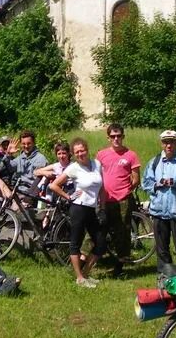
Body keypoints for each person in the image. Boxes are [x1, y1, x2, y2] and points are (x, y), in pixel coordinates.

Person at [49, 138, 107, 288]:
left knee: (100, 243)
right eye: (76, 152)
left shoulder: (97, 164)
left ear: (87, 149)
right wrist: (68, 196)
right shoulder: (73, 168)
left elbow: (101, 188)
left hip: (92, 209)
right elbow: (54, 185)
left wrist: (102, 208)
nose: (80, 154)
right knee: (75, 243)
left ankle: (86, 273)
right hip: (78, 208)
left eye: (82, 150)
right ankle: (79, 278)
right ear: (73, 155)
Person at [142, 130, 176, 270]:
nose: (169, 145)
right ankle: (165, 275)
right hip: (158, 212)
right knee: (162, 248)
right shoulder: (154, 162)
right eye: (166, 142)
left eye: (172, 142)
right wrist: (156, 184)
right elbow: (145, 183)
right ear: (162, 144)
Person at [96, 123, 141, 277]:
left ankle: (120, 265)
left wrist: (125, 191)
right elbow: (96, 175)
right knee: (99, 229)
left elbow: (136, 179)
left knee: (123, 231)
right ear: (108, 138)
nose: (116, 139)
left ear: (123, 136)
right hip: (104, 199)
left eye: (119, 136)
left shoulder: (131, 155)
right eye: (113, 136)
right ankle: (95, 259)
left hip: (122, 200)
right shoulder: (101, 155)